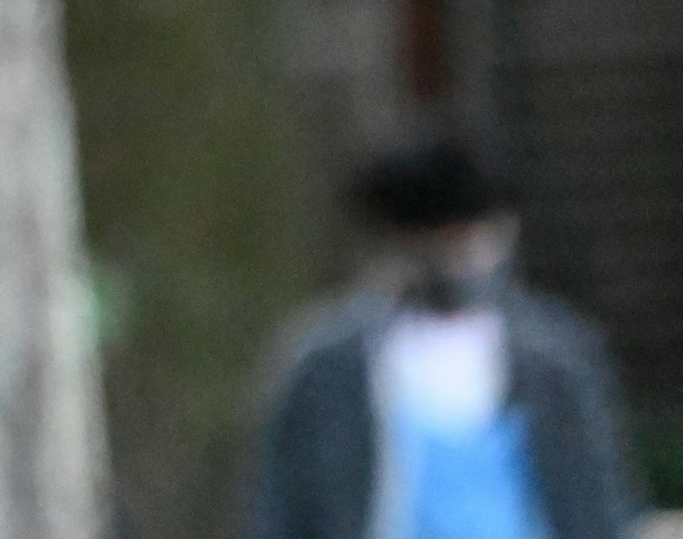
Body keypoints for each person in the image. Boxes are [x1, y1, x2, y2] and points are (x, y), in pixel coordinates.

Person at [247, 137, 647, 539]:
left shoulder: (554, 355)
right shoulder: (329, 364)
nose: (450, 260)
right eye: (433, 240)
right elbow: (284, 505)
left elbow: (597, 499)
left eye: (461, 238)